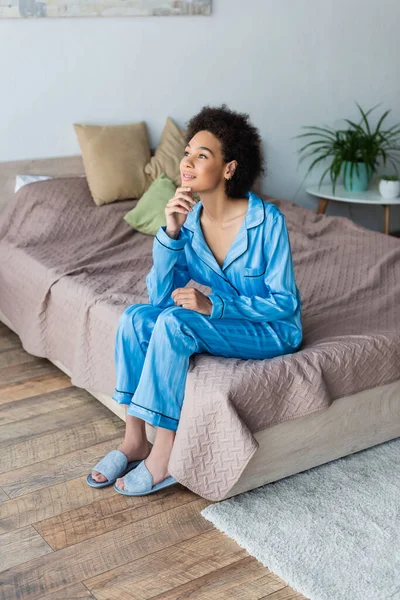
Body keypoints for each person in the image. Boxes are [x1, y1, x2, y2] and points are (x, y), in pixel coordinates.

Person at [87, 104, 303, 496]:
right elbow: (158, 296)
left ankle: (163, 454)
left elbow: (283, 302)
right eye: (187, 152)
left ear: (229, 168)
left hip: (271, 330)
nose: (187, 162)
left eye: (201, 155)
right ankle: (134, 438)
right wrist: (170, 233)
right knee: (136, 318)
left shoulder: (267, 221)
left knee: (175, 324)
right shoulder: (190, 223)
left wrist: (215, 306)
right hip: (228, 324)